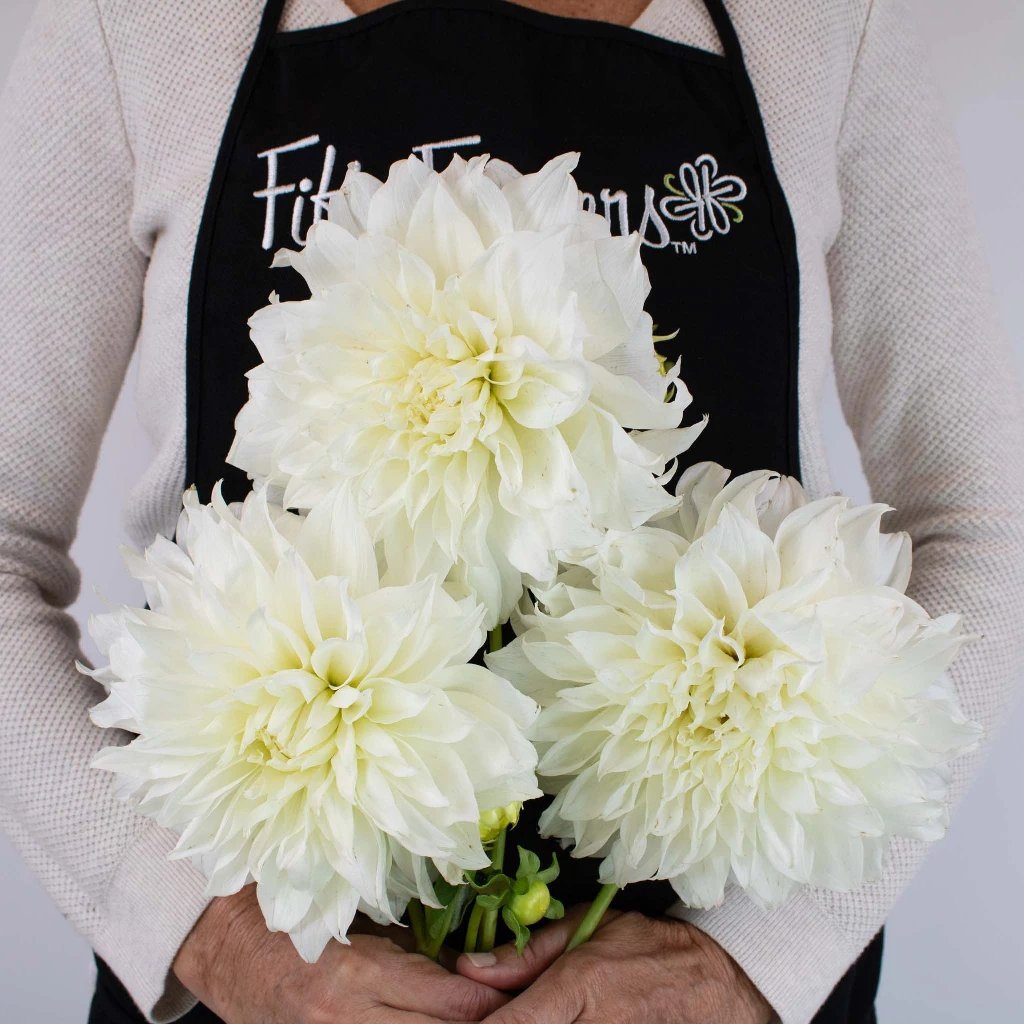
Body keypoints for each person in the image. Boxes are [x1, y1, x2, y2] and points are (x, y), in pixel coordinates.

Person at [0, 1, 1021, 1022]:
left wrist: (752, 962)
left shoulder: (825, 26)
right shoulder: (132, 25)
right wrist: (213, 939)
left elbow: (988, 523)